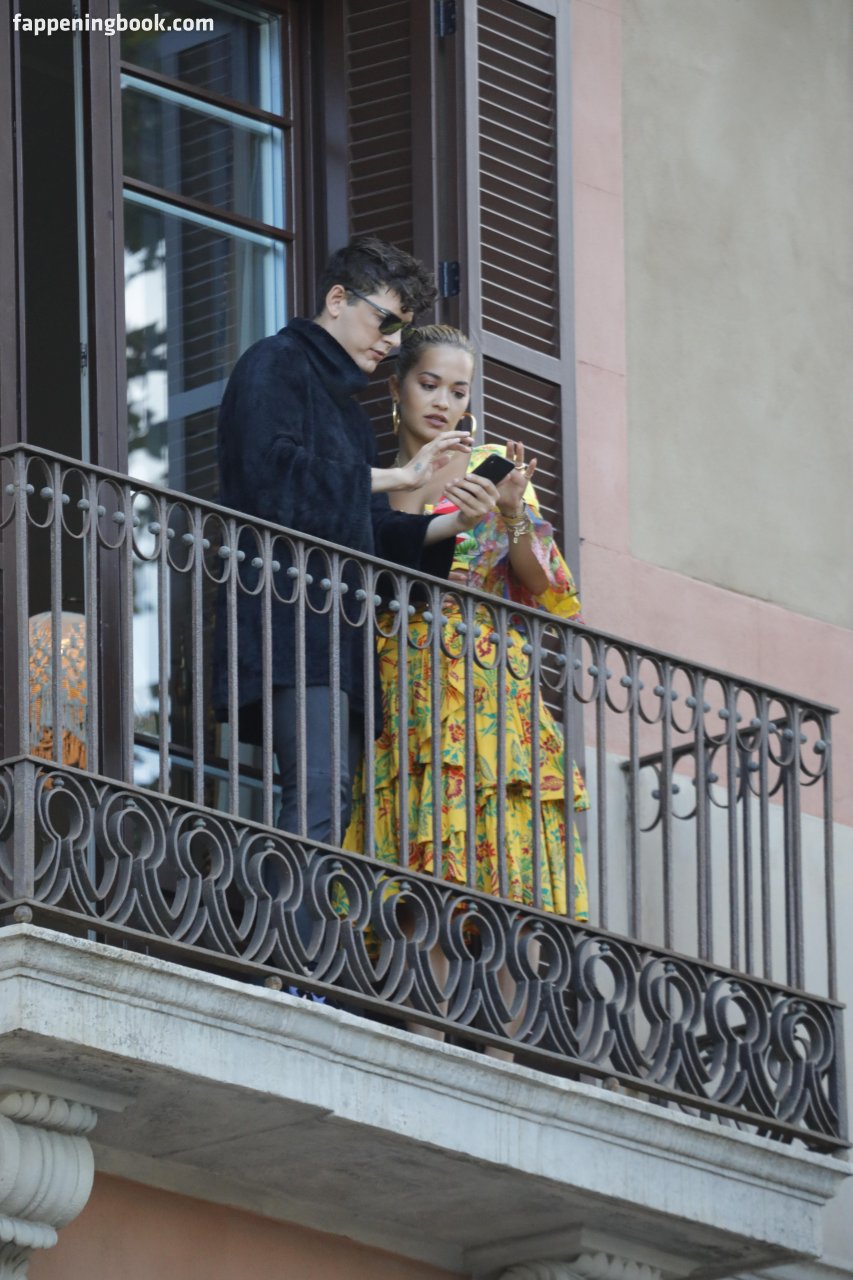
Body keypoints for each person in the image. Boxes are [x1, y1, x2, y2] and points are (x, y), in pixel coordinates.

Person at [212, 239, 497, 844]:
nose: (392, 342)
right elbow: (272, 473)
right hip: (285, 618)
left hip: (332, 633)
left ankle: (292, 908)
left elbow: (374, 532)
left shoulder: (348, 417)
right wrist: (400, 477)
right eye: (385, 321)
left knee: (329, 798)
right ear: (338, 299)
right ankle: (285, 912)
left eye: (401, 329)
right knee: (319, 794)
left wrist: (456, 523)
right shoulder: (276, 360)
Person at [344, 325, 589, 919]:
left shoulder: (488, 468)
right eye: (429, 385)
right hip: (400, 686)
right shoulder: (373, 482)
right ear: (396, 389)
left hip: (483, 684)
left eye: (458, 392)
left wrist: (513, 513)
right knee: (417, 863)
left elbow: (542, 584)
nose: (443, 403)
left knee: (503, 863)